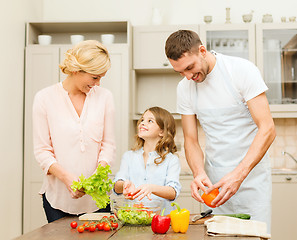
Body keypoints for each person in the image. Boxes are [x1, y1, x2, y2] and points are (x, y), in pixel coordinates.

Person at [165, 30, 276, 230]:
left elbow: (267, 128)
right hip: (214, 186)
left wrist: (238, 176)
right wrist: (198, 173)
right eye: (180, 72)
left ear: (202, 50)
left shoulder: (241, 71)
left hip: (251, 180)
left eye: (190, 68)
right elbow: (191, 139)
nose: (188, 77)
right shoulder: (185, 88)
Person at [33, 40, 116, 222]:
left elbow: (108, 145)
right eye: (95, 77)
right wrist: (67, 178)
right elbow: (42, 151)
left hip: (97, 200)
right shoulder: (44, 99)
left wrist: (99, 173)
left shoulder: (105, 98)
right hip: (57, 200)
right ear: (76, 70)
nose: (98, 83)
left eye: (102, 77)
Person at [113, 106, 181, 215]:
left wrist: (152, 188)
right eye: (142, 120)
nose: (142, 123)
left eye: (150, 121)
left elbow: (173, 192)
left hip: (161, 219)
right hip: (133, 217)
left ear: (162, 132)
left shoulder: (171, 160)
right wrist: (125, 184)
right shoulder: (129, 156)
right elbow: (117, 186)